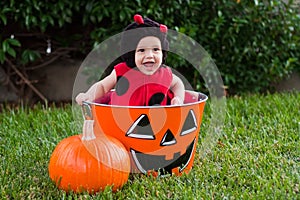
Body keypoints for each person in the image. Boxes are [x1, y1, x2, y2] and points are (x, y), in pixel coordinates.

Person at [76, 14, 185, 106]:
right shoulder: (122, 71)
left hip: (157, 124)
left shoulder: (165, 73)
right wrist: (88, 96)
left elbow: (178, 84)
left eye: (156, 49)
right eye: (142, 50)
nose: (149, 55)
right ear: (132, 54)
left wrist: (178, 99)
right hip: (121, 121)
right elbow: (103, 87)